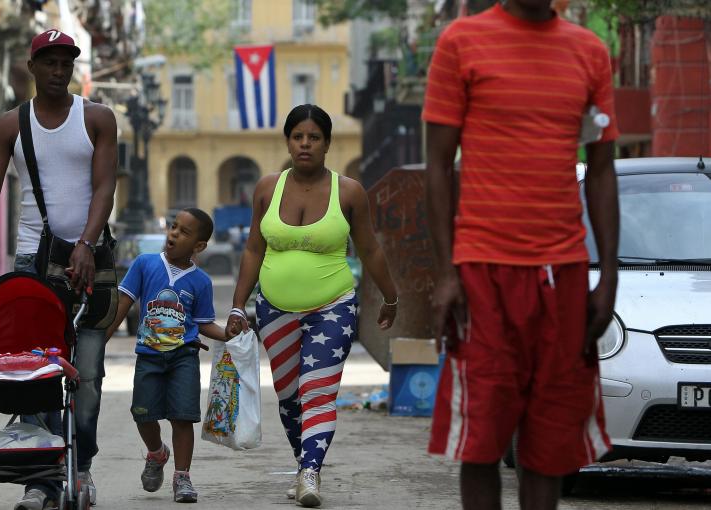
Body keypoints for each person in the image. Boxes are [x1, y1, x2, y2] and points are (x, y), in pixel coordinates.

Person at [422, 1, 620, 509]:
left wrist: (608, 278)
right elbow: (439, 166)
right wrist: (446, 274)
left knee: (549, 445)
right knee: (482, 441)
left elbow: (600, 172)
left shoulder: (590, 51)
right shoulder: (460, 42)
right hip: (482, 274)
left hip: (565, 273)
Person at [0, 29, 117, 510]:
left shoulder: (97, 119)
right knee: (40, 370)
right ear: (31, 67)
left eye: (65, 62)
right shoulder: (11, 125)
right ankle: (46, 481)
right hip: (33, 261)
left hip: (93, 260)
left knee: (86, 374)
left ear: (73, 67)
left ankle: (81, 464)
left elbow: (105, 187)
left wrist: (87, 243)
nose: (58, 70)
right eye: (48, 62)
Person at [227, 104, 398, 507]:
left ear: (327, 144)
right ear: (288, 141)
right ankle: (304, 462)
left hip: (333, 305)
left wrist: (391, 296)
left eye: (314, 137)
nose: (305, 144)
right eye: (297, 137)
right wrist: (238, 305)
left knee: (317, 391)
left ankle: (310, 473)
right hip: (274, 308)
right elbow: (253, 248)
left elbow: (370, 249)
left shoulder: (350, 191)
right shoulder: (268, 188)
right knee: (289, 395)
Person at [105, 207, 229, 504]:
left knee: (182, 417)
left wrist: (228, 333)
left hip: (184, 356)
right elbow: (123, 303)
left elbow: (204, 324)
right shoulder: (145, 264)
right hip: (148, 356)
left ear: (199, 246)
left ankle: (182, 477)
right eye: (174, 227)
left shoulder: (201, 282)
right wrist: (102, 341)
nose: (174, 233)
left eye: (184, 232)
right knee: (143, 414)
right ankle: (157, 452)